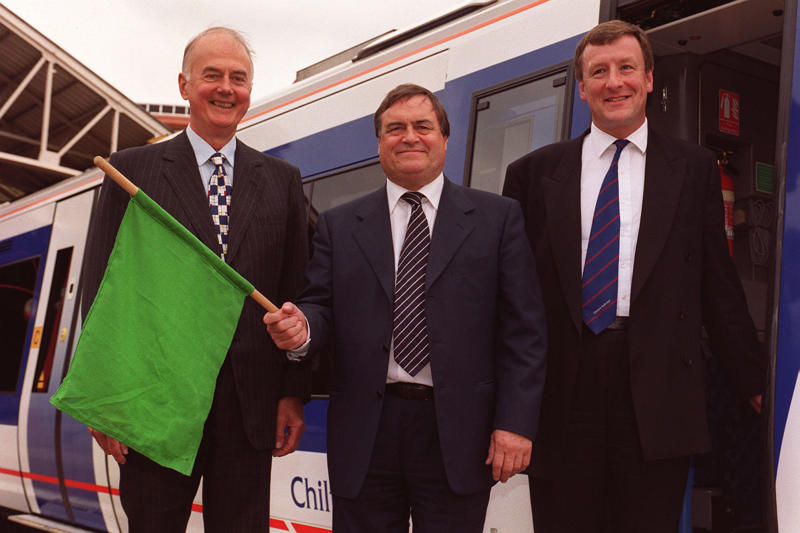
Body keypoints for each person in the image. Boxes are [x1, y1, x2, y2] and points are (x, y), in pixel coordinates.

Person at [503, 20, 763, 533]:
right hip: (561, 393)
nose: (613, 82)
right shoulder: (533, 173)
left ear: (648, 79)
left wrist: (755, 383)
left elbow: (719, 285)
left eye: (626, 68)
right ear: (582, 89)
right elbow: (511, 299)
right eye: (598, 72)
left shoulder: (694, 169)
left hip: (658, 392)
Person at [264, 83, 547, 532]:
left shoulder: (499, 218)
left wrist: (515, 422)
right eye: (395, 128)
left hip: (459, 434)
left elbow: (525, 331)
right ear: (379, 143)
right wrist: (302, 332)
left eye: (422, 126)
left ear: (444, 139)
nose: (409, 136)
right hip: (366, 433)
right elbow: (318, 306)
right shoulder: (340, 225)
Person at [81, 27, 309, 532]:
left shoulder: (282, 182)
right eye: (212, 75)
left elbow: (297, 290)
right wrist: (106, 400)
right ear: (184, 86)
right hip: (154, 406)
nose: (226, 88)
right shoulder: (130, 171)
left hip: (250, 408)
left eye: (239, 77)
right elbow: (103, 288)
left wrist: (293, 393)